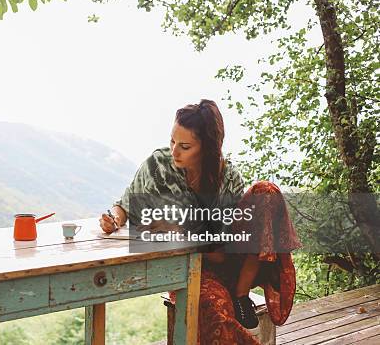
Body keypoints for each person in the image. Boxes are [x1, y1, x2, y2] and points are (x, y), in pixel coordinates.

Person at [99, 99, 301, 344]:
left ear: (207, 148)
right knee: (213, 311)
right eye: (172, 141)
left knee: (266, 192)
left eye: (185, 146)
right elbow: (125, 204)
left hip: (229, 258)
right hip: (194, 267)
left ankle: (241, 295)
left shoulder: (229, 178)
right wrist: (114, 218)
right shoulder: (159, 165)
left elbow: (223, 249)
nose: (174, 152)